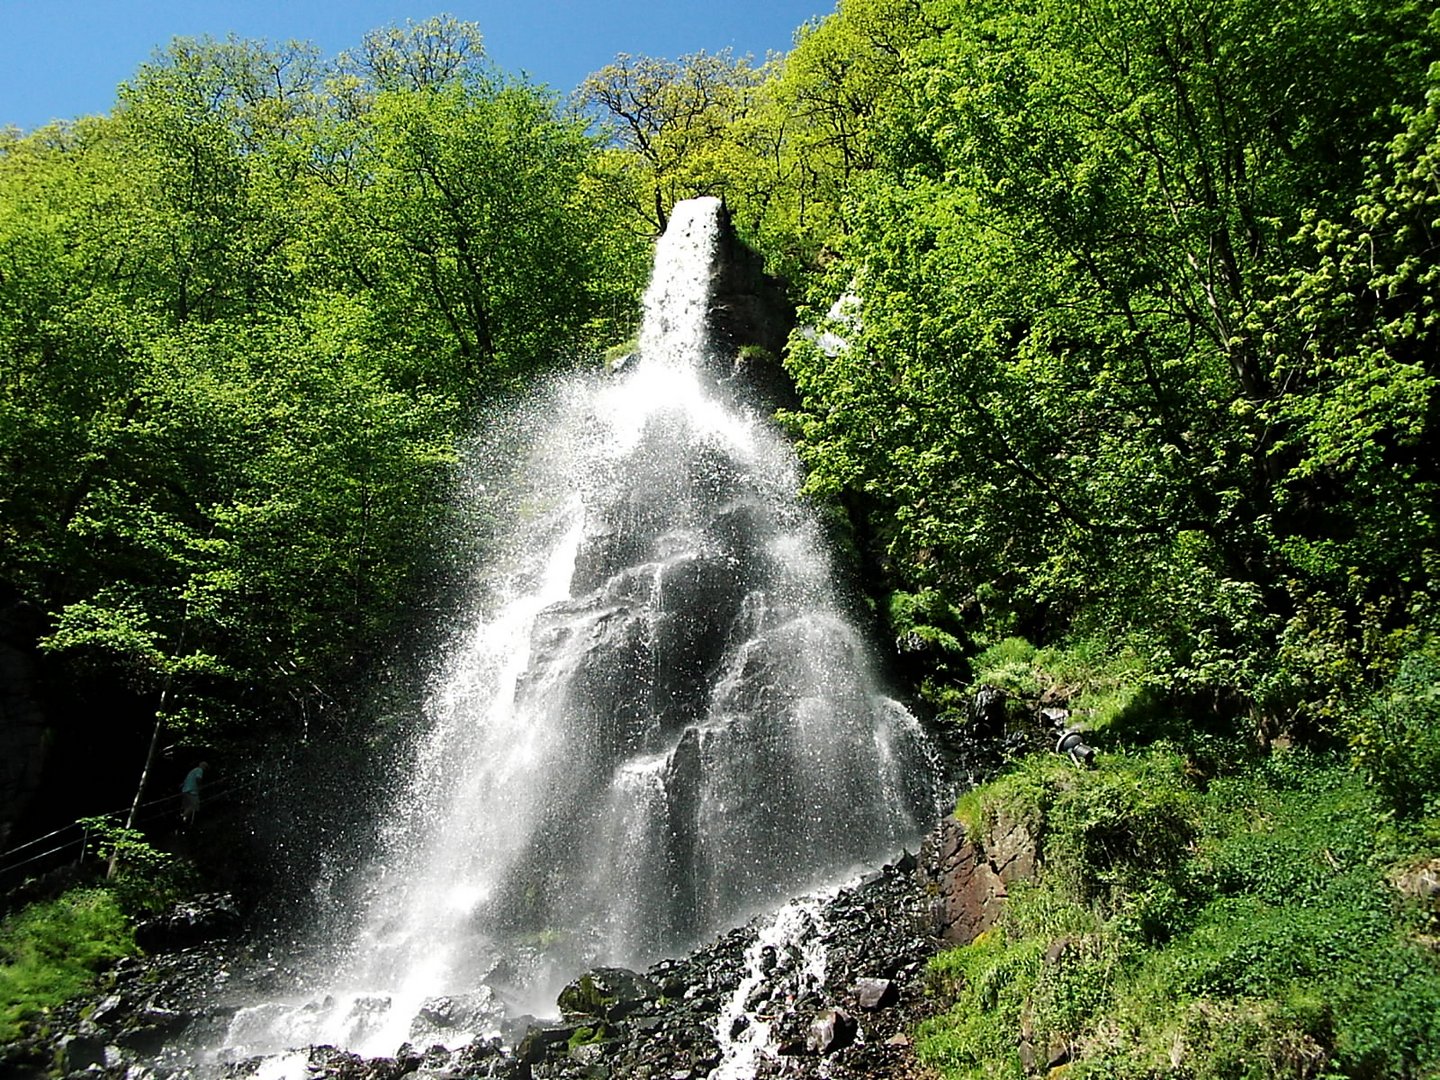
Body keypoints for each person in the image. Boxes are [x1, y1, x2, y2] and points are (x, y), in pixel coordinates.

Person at [180, 761, 209, 825]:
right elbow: (198, 778)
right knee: (193, 805)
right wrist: (200, 787)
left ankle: (184, 820)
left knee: (187, 807)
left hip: (185, 790)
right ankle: (182, 818)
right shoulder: (199, 770)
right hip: (192, 790)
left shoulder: (193, 770)